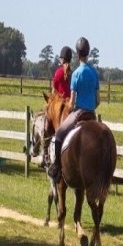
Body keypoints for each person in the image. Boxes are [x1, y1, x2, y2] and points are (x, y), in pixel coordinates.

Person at [47, 37, 100, 181]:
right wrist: (91, 107)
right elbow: (98, 100)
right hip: (92, 114)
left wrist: (72, 107)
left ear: (77, 54)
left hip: (78, 113)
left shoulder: (76, 74)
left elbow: (72, 101)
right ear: (88, 52)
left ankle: (57, 167)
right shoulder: (95, 73)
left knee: (58, 135)